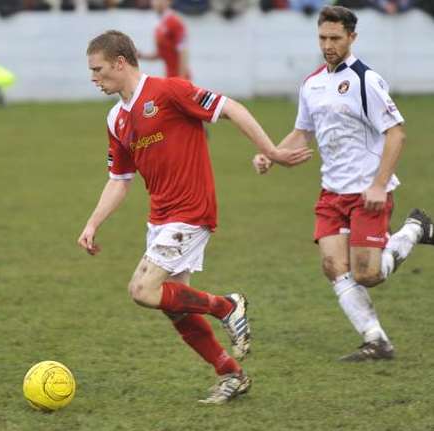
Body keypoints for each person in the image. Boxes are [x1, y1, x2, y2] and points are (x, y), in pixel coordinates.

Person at [78, 30, 312, 404]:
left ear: (120, 63)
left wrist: (273, 151)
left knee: (142, 291)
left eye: (98, 69)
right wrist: (92, 223)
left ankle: (226, 305)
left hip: (191, 211)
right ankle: (231, 374)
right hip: (160, 218)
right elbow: (119, 181)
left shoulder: (168, 91)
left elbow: (231, 108)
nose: (93, 78)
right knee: (176, 307)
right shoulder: (115, 118)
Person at [252, 5, 434, 361]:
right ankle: (376, 339)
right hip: (331, 192)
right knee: (333, 266)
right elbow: (304, 132)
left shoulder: (366, 80)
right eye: (322, 37)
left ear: (352, 37)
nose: (328, 45)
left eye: (336, 38)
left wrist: (380, 185)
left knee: (367, 274)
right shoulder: (312, 83)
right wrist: (271, 154)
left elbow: (396, 135)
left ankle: (414, 228)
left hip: (367, 192)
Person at [138, 0, 191, 79]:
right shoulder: (160, 24)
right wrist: (141, 55)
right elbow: (160, 54)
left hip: (179, 77)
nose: (156, 2)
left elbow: (183, 51)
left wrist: (181, 79)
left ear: (168, 2)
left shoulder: (175, 21)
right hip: (170, 76)